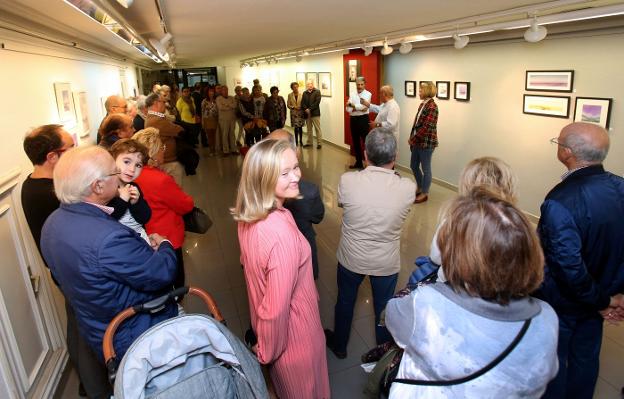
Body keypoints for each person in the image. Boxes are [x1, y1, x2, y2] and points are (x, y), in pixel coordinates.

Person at [386, 188, 559, 398]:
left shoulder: (427, 304)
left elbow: (392, 316)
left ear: (460, 255)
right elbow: (547, 372)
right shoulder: (546, 317)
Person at [40, 146, 178, 364]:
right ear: (98, 186)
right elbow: (161, 272)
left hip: (100, 333)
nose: (119, 176)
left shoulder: (51, 224)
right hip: (137, 335)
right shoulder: (108, 238)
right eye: (114, 172)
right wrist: (165, 245)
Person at [232, 139, 330, 398]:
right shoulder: (279, 232)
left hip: (281, 339)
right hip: (296, 341)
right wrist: (267, 350)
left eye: (296, 167)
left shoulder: (248, 216)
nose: (296, 176)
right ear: (263, 178)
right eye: (284, 173)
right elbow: (275, 310)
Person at [20, 125, 111, 398]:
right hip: (75, 272)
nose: (75, 153)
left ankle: (88, 383)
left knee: (77, 325)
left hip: (65, 271)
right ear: (51, 157)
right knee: (88, 332)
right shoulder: (52, 194)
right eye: (69, 148)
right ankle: (97, 389)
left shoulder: (31, 184)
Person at [537, 122, 624, 399]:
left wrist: (604, 301)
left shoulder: (560, 200)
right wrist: (614, 296)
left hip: (565, 302)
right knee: (586, 358)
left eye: (558, 142)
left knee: (555, 362)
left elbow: (567, 267)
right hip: (603, 295)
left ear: (567, 152)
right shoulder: (621, 187)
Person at [325, 129, 415, 358]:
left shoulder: (348, 180)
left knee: (345, 301)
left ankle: (340, 345)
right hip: (385, 262)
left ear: (365, 155)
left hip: (351, 258)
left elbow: (346, 205)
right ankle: (382, 354)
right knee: (383, 308)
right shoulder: (407, 187)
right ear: (395, 157)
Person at [428, 156, 517, 281]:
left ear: (467, 185)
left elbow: (435, 257)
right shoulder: (517, 226)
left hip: (448, 289)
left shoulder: (453, 221)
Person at [133, 128, 194, 290]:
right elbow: (185, 205)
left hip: (144, 238)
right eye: (162, 147)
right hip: (167, 238)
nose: (164, 151)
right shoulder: (160, 180)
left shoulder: (131, 175)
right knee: (176, 282)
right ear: (152, 154)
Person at [266, 129, 325, 279]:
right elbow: (318, 217)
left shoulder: (253, 193)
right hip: (301, 252)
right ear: (296, 152)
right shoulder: (309, 191)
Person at [108, 139, 151, 243]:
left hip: (139, 238)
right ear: (112, 160)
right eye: (127, 162)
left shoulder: (133, 187)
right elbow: (106, 220)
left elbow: (145, 218)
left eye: (138, 165)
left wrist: (136, 203)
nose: (132, 169)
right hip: (119, 242)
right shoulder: (107, 188)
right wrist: (122, 200)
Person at [144, 93, 185, 186]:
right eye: (163, 102)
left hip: (165, 160)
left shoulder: (155, 117)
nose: (166, 104)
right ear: (156, 103)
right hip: (168, 162)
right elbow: (180, 130)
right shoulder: (156, 120)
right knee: (176, 191)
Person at [408, 81, 439, 204]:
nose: (419, 92)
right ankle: (420, 186)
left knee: (426, 169)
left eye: (421, 90)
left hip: (426, 143)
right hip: (417, 141)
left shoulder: (432, 107)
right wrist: (413, 137)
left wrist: (413, 139)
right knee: (413, 165)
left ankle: (425, 193)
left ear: (426, 91)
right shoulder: (423, 105)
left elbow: (426, 127)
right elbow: (416, 124)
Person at [345, 77, 372, 169]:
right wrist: (356, 107)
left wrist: (352, 106)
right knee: (355, 142)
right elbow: (347, 109)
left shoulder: (368, 94)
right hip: (353, 120)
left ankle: (368, 164)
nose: (359, 86)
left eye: (361, 84)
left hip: (363, 120)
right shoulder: (352, 94)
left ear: (365, 84)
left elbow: (364, 108)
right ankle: (359, 163)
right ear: (356, 84)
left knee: (366, 142)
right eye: (358, 84)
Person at [216, 85, 239, 156]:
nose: (225, 91)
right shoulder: (218, 98)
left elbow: (235, 105)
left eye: (226, 90)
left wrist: (226, 105)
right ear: (221, 91)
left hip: (232, 118)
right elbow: (221, 107)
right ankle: (226, 151)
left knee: (232, 134)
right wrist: (229, 106)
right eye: (224, 90)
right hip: (223, 119)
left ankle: (233, 149)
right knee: (225, 135)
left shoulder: (231, 97)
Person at [301, 80, 323, 149]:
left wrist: (309, 109)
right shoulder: (304, 93)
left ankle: (319, 143)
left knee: (317, 129)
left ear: (313, 84)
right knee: (309, 129)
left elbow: (317, 102)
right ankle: (309, 142)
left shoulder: (317, 91)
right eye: (308, 84)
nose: (309, 85)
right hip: (307, 114)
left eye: (310, 84)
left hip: (315, 113)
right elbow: (302, 103)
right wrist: (306, 109)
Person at [201, 86, 219, 156]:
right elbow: (202, 112)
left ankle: (214, 149)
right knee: (209, 136)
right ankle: (211, 150)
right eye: (210, 91)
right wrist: (202, 122)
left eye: (212, 91)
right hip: (207, 119)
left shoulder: (216, 100)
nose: (211, 93)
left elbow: (217, 111)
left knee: (214, 135)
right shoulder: (204, 101)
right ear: (207, 93)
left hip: (214, 119)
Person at [287, 82, 305, 146]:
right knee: (296, 128)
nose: (295, 88)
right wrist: (293, 107)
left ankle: (301, 140)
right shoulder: (290, 95)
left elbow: (304, 103)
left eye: (296, 87)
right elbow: (288, 105)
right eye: (294, 87)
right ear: (292, 88)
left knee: (300, 127)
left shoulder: (302, 94)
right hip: (294, 113)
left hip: (300, 113)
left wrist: (301, 107)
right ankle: (296, 141)